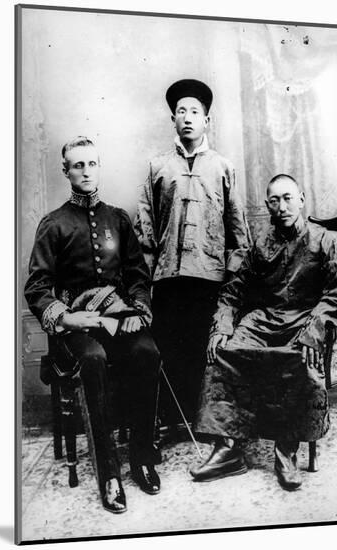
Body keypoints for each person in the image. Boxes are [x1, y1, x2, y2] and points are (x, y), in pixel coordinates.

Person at [24, 136, 162, 514]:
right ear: (65, 171)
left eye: (92, 164)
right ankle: (109, 474)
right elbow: (36, 288)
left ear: (99, 167)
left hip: (118, 318)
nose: (86, 171)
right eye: (78, 165)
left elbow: (137, 275)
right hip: (77, 329)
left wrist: (138, 311)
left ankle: (142, 457)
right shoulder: (53, 224)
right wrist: (67, 317)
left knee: (148, 352)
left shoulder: (117, 218)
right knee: (94, 360)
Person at [190, 174, 337, 490]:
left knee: (298, 358)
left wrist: (315, 329)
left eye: (288, 197)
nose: (283, 206)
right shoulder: (260, 245)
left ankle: (286, 448)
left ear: (302, 198)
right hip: (265, 320)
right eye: (275, 200)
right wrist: (221, 325)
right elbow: (233, 290)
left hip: (305, 322)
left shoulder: (325, 240)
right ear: (268, 205)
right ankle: (229, 448)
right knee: (223, 351)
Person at [135, 79, 251, 428]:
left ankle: (203, 421)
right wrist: (151, 270)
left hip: (209, 276)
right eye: (181, 111)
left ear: (206, 121)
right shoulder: (158, 167)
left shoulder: (222, 167)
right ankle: (172, 420)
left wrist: (232, 270)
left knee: (202, 347)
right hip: (169, 276)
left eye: (195, 112)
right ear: (173, 119)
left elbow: (237, 228)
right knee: (170, 347)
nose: (188, 118)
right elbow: (146, 223)